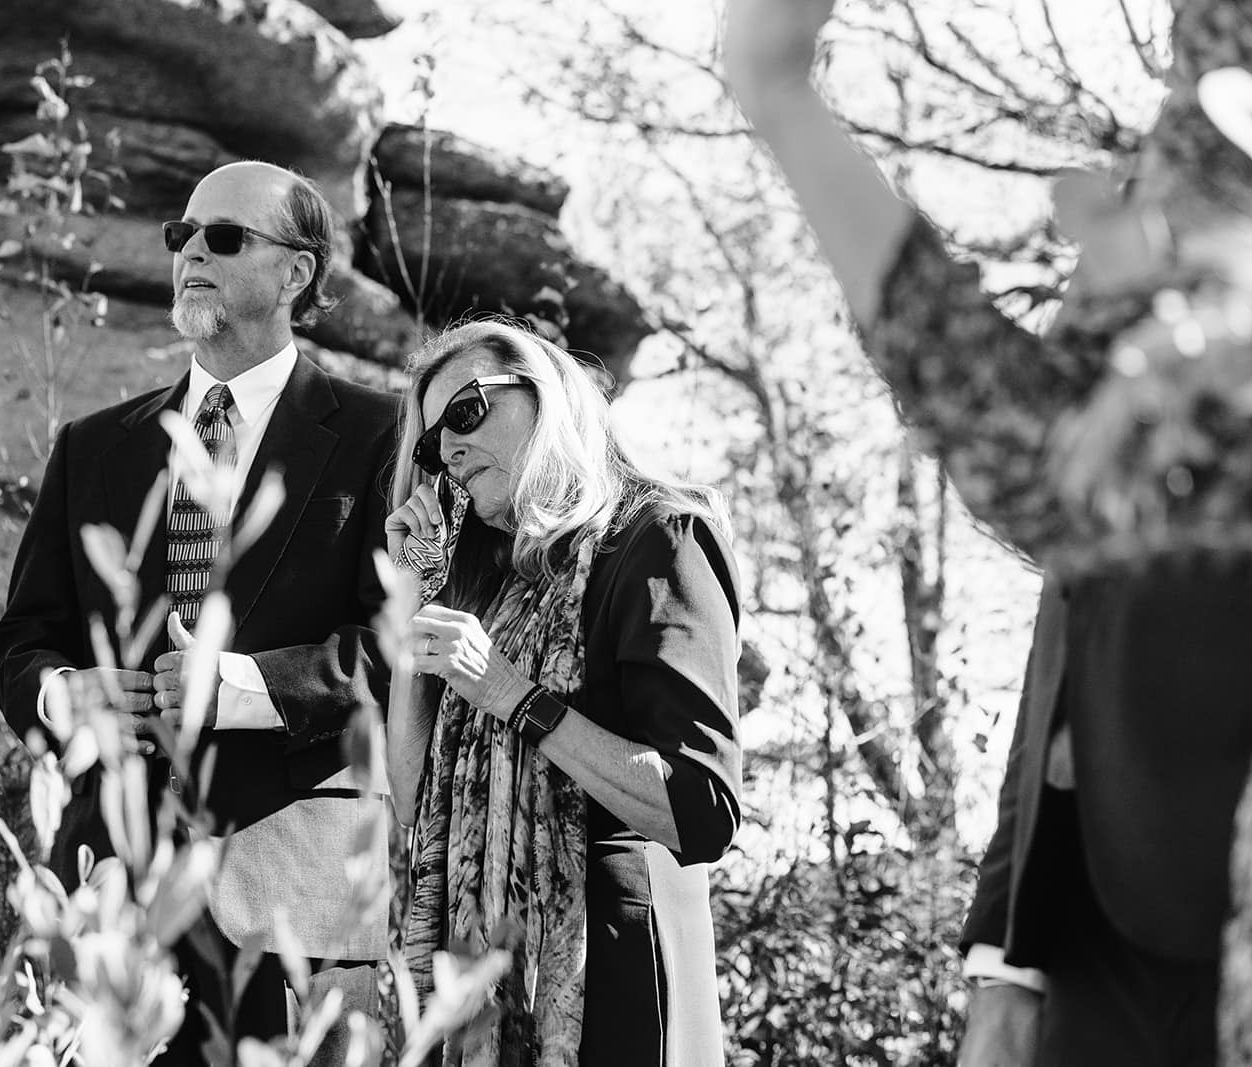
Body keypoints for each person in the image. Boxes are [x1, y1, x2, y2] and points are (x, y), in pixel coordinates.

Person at [726, 3, 1248, 1063]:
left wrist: (782, 102)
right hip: (1114, 924)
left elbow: (1047, 449)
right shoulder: (1197, 143)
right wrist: (1011, 953)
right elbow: (1057, 487)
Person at [0, 161, 398, 1064]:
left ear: (296, 273)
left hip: (294, 890)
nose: (191, 254)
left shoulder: (384, 434)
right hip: (109, 885)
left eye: (224, 237)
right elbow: (22, 637)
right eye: (183, 236)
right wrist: (61, 694)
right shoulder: (93, 446)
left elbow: (399, 644)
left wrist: (241, 687)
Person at [385, 319, 742, 1065]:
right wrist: (411, 594)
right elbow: (413, 794)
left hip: (612, 979)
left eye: (467, 411)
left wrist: (513, 695)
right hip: (488, 989)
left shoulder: (657, 538)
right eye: (432, 444)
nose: (449, 450)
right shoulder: (495, 586)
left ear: (544, 395)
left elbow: (702, 808)